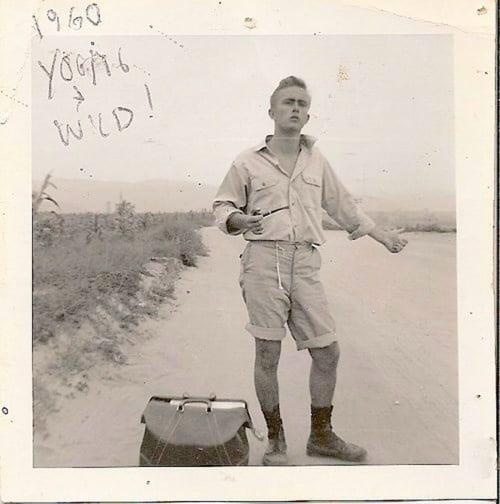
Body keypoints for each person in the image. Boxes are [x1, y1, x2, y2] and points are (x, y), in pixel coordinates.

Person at [213, 76, 407, 466]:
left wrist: (380, 234)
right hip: (263, 261)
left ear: (308, 114)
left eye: (302, 103)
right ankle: (277, 440)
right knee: (267, 353)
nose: (295, 108)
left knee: (327, 351)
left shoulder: (316, 160)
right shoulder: (246, 161)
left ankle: (321, 435)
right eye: (287, 102)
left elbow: (342, 204)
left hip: (305, 262)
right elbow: (222, 206)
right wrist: (237, 220)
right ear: (272, 112)